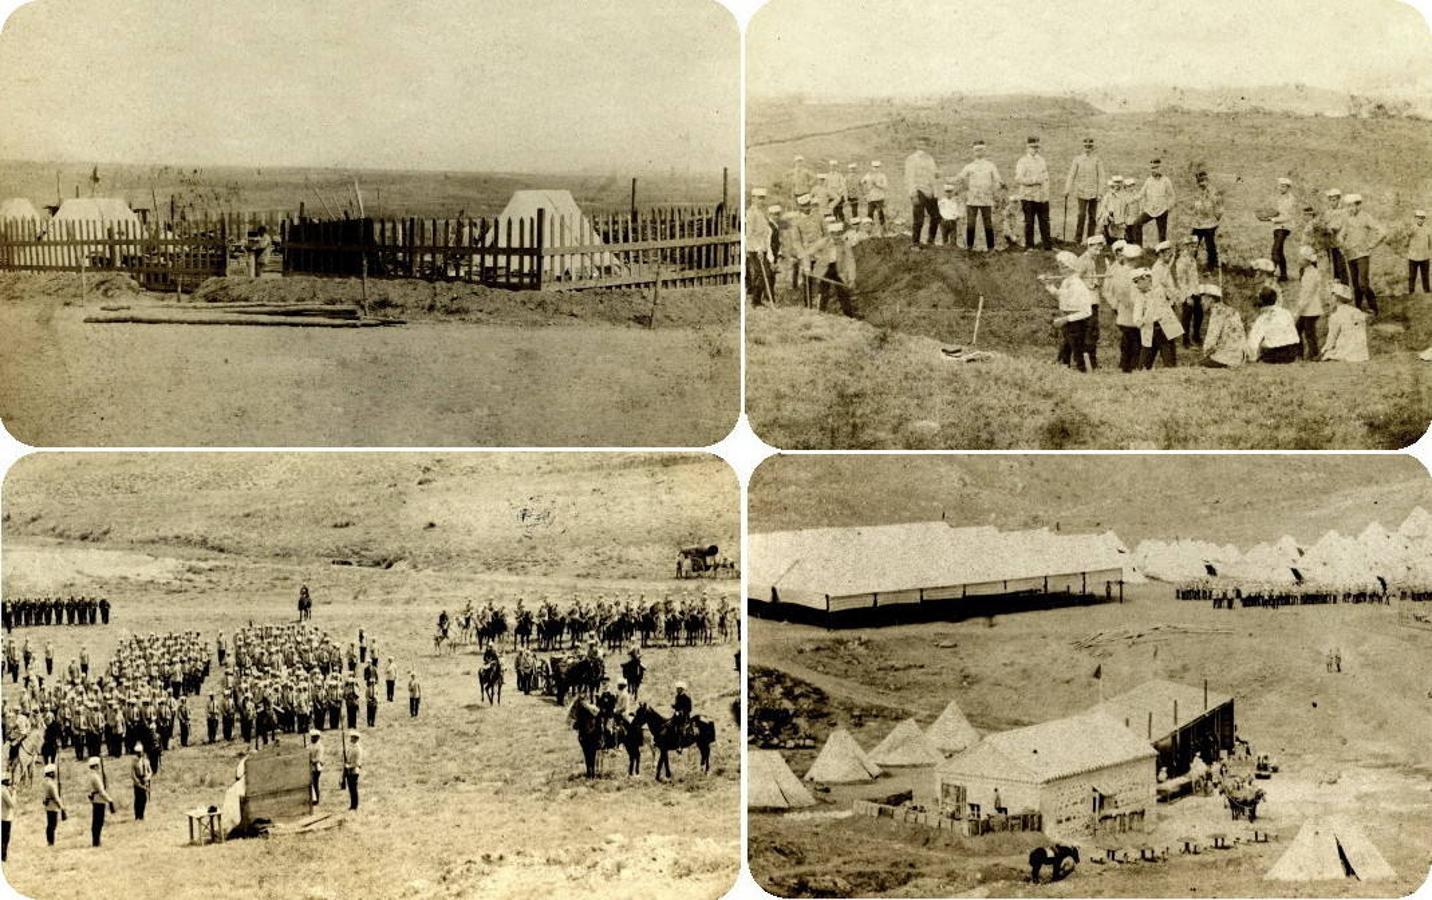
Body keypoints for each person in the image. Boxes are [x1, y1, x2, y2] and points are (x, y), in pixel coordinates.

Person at [1047, 251, 1094, 372]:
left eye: (1063, 266)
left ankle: (1084, 372)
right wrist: (1048, 285)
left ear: (1070, 267)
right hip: (1067, 319)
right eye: (1059, 266)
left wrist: (1066, 319)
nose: (1060, 269)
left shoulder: (1078, 285)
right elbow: (1061, 296)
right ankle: (1063, 367)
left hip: (1077, 322)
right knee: (1066, 346)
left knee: (1078, 350)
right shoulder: (1066, 282)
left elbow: (1087, 312)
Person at [1339, 194, 1384, 315]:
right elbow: (1340, 235)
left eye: (1352, 206)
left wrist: (1371, 245)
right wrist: (1342, 245)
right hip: (1350, 255)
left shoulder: (1366, 217)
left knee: (1363, 284)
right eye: (1347, 206)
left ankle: (1374, 309)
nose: (1349, 209)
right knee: (1355, 284)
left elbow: (1381, 231)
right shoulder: (1346, 219)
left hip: (1362, 255)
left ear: (1358, 205)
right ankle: (1358, 309)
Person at [957, 141, 1002, 252]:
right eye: (977, 150)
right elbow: (961, 177)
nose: (979, 152)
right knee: (971, 223)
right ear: (973, 152)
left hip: (986, 199)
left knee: (988, 223)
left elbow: (997, 179)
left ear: (985, 151)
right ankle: (969, 247)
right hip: (972, 199)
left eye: (981, 150)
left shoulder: (990, 165)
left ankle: (991, 248)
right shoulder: (969, 166)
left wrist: (999, 186)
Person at [1137, 265, 1183, 369]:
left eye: (1140, 281)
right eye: (1136, 282)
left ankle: (1170, 368)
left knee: (1168, 356)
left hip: (1165, 327)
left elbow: (1174, 297)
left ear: (1148, 279)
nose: (1137, 285)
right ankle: (1143, 368)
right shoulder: (1139, 295)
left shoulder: (1159, 289)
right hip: (1151, 328)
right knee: (1146, 356)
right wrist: (1139, 321)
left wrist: (1171, 296)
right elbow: (1139, 313)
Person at [1064, 137, 1107, 244]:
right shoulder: (1077, 159)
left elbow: (1101, 177)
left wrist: (1100, 193)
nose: (1088, 149)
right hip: (1081, 192)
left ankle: (1090, 239)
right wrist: (1067, 189)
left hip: (1094, 192)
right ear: (1083, 147)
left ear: (1093, 148)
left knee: (1092, 216)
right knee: (1081, 215)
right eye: (1086, 147)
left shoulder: (1097, 160)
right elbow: (1071, 175)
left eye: (1090, 147)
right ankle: (1078, 239)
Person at [1107, 243, 1143, 372]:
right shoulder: (1130, 274)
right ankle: (1131, 367)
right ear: (1134, 259)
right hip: (1131, 313)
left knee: (1127, 340)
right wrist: (1135, 307)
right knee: (1134, 342)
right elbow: (1124, 294)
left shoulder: (1120, 272)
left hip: (1124, 313)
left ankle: (1124, 365)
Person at [1014, 136, 1052, 251]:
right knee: (1029, 222)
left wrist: (1046, 194)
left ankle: (1047, 246)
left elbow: (1046, 178)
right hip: (1028, 197)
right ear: (1027, 147)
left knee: (1044, 222)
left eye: (1037, 147)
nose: (1035, 149)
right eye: (1033, 147)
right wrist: (1034, 180)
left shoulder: (1041, 160)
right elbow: (1019, 179)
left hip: (1041, 197)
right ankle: (1030, 246)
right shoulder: (1022, 161)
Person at [1247, 288, 1300, 363]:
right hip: (1292, 352)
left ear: (1261, 301)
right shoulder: (1286, 312)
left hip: (1275, 353)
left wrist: (1252, 357)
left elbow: (1253, 341)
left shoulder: (1263, 318)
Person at [1321, 282, 1370, 362]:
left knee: (1328, 353)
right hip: (1362, 353)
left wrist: (1324, 350)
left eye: (1331, 296)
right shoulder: (1357, 311)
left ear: (1335, 298)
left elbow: (1332, 337)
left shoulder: (1336, 315)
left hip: (1346, 351)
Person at [1200, 284, 1246, 368]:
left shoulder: (1217, 313)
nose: (1201, 302)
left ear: (1210, 299)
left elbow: (1210, 341)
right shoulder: (1232, 310)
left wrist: (1206, 353)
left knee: (1199, 364)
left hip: (1225, 358)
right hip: (1239, 357)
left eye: (1203, 299)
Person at [904, 138, 940, 247]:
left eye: (924, 145)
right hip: (918, 190)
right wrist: (913, 194)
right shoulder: (911, 159)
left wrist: (935, 191)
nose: (922, 147)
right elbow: (909, 177)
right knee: (919, 219)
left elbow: (934, 174)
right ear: (916, 145)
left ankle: (931, 240)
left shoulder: (930, 159)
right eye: (920, 144)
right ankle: (915, 243)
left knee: (936, 216)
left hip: (930, 191)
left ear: (927, 146)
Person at [1293, 245, 1325, 359]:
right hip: (1307, 307)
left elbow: (1308, 294)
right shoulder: (1306, 272)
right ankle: (1301, 354)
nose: (1298, 260)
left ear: (1307, 260)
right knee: (1299, 329)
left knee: (1309, 332)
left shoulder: (1312, 273)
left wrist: (1299, 309)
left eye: (1301, 258)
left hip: (1311, 308)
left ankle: (1314, 354)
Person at [1134, 159, 1175, 245]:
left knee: (1162, 234)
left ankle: (1163, 251)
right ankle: (1138, 247)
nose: (1154, 170)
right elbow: (1141, 194)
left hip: (1162, 210)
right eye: (1152, 168)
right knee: (1137, 223)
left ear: (1160, 168)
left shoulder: (1166, 180)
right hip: (1150, 210)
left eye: (1156, 168)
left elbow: (1172, 195)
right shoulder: (1148, 180)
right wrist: (1131, 198)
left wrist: (1168, 207)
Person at [745, 188, 774, 306]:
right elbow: (750, 233)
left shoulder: (761, 212)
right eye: (759, 198)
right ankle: (755, 301)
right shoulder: (751, 213)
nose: (761, 201)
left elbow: (765, 231)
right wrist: (758, 249)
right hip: (754, 248)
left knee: (763, 273)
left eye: (763, 198)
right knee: (763, 273)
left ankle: (756, 300)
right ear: (753, 198)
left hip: (763, 247)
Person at [1189, 170, 1223, 270]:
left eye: (1203, 180)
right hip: (1198, 223)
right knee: (1193, 243)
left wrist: (1216, 219)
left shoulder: (1213, 192)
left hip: (1209, 223)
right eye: (1199, 181)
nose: (1201, 183)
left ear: (1207, 180)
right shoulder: (1197, 192)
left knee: (1210, 245)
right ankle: (1190, 263)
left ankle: (1211, 266)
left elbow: (1220, 208)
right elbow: (1194, 207)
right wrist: (1195, 216)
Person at [1269, 177, 1298, 281]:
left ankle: (1270, 273)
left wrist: (1274, 219)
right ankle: (1284, 275)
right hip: (1277, 227)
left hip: (1285, 227)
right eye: (1280, 186)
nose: (1281, 188)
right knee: (1280, 251)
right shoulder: (1280, 198)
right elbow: (1278, 212)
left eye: (1283, 186)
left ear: (1288, 188)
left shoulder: (1291, 199)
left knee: (1275, 250)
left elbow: (1288, 216)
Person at [1175, 237, 1201, 347]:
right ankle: (1185, 341)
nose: (1194, 249)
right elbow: (1182, 281)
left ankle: (1196, 336)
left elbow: (1194, 278)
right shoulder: (1182, 261)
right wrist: (1187, 297)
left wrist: (1197, 292)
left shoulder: (1192, 259)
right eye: (1192, 246)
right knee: (1187, 317)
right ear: (1186, 246)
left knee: (1199, 315)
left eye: (1195, 246)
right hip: (1187, 294)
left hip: (1195, 291)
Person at [1322, 189, 1349, 283]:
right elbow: (1324, 224)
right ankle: (1337, 287)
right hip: (1330, 242)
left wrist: (1330, 228)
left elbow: (1339, 225)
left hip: (1340, 241)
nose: (1332, 202)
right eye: (1330, 200)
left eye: (1334, 200)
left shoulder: (1343, 211)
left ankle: (1345, 285)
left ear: (1338, 200)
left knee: (1341, 264)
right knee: (1333, 265)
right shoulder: (1327, 212)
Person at [85, 757, 112, 847]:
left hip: (96, 799)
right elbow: (101, 791)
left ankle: (96, 840)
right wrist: (109, 800)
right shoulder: (95, 777)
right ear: (96, 766)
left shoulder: (92, 775)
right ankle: (96, 841)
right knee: (98, 822)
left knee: (97, 822)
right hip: (99, 800)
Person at [860, 160, 888, 233]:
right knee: (869, 214)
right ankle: (869, 231)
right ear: (872, 167)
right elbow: (861, 182)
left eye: (877, 167)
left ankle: (884, 230)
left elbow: (885, 186)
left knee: (880, 214)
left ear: (879, 167)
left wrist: (877, 184)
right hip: (871, 198)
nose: (876, 168)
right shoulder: (868, 175)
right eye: (874, 167)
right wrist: (864, 193)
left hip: (879, 198)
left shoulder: (882, 175)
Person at [42, 762, 65, 846]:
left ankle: (50, 841)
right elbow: (56, 797)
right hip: (53, 806)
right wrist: (62, 807)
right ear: (51, 773)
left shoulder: (45, 782)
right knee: (52, 825)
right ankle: (51, 842)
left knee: (50, 824)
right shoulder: (51, 784)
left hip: (49, 805)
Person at [1409, 210, 1431, 294]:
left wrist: (1427, 252)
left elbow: (1429, 242)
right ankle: (1411, 292)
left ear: (1424, 219)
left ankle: (1427, 292)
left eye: (1422, 218)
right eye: (1418, 218)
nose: (1420, 220)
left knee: (1425, 276)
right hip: (1413, 256)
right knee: (1412, 276)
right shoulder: (1412, 228)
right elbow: (1407, 237)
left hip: (1424, 256)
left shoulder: (1427, 229)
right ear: (1415, 218)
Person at [130, 748, 152, 822]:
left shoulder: (146, 761)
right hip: (138, 782)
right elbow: (132, 774)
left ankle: (142, 815)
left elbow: (150, 771)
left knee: (144, 799)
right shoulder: (134, 762)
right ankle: (137, 815)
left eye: (141, 752)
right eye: (138, 753)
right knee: (138, 799)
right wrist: (138, 782)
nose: (140, 754)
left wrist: (147, 778)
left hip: (145, 781)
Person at [342, 733, 362, 811]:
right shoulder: (351, 747)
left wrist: (348, 766)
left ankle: (355, 805)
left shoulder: (357, 749)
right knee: (350, 789)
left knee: (353, 789)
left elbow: (357, 762)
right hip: (349, 770)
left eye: (352, 737)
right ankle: (352, 805)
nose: (351, 738)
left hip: (354, 770)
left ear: (356, 738)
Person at [308, 730, 324, 803]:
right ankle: (312, 798)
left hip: (316, 767)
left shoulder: (320, 746)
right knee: (311, 783)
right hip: (310, 766)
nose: (312, 739)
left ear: (318, 738)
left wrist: (311, 760)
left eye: (314, 737)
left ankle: (316, 798)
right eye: (312, 737)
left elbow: (318, 758)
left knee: (315, 783)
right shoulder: (310, 745)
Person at [1, 774, 13, 862]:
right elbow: (12, 804)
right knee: (5, 838)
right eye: (8, 780)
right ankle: (3, 856)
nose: (10, 782)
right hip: (5, 818)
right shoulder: (4, 791)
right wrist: (14, 793)